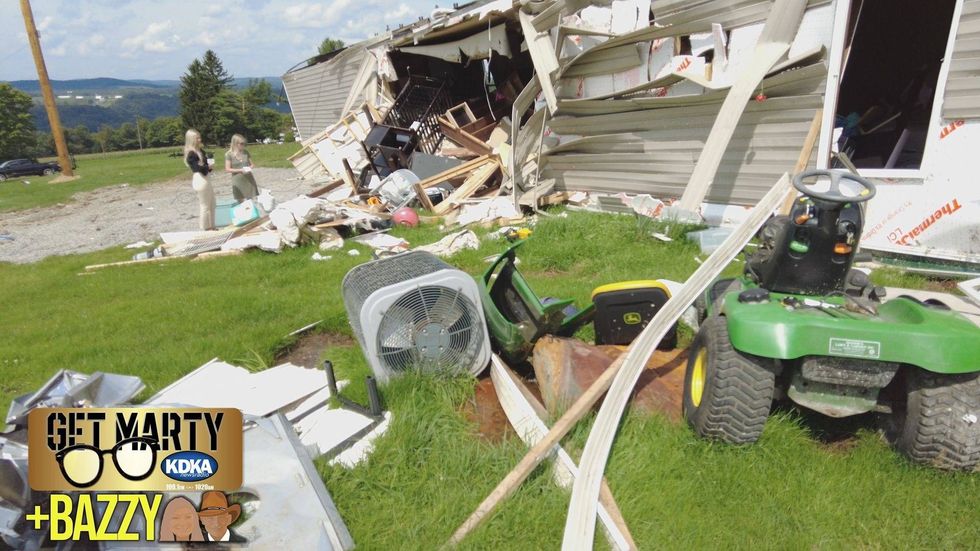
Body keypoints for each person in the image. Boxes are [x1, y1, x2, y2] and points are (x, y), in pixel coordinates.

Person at [184, 129, 216, 230]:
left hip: (206, 177)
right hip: (200, 179)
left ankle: (212, 226)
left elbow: (204, 165)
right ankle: (204, 228)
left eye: (199, 137)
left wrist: (207, 166)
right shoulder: (191, 153)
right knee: (205, 205)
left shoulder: (200, 151)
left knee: (212, 203)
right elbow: (198, 168)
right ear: (192, 139)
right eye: (197, 138)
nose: (200, 139)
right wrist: (206, 167)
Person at [225, 134, 258, 203]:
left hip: (249, 179)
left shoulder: (246, 152)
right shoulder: (229, 154)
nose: (243, 145)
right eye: (241, 143)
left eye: (244, 143)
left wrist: (248, 168)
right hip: (238, 181)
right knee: (240, 203)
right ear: (235, 143)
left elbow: (252, 165)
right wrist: (240, 170)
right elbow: (227, 169)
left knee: (253, 202)